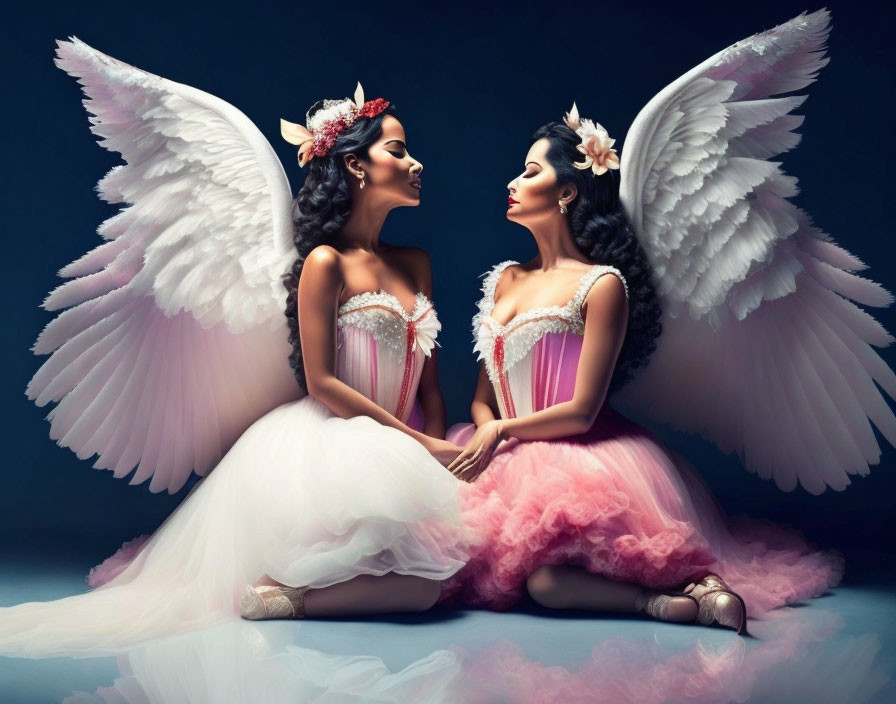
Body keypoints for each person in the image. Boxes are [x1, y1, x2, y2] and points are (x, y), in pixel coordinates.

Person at [0, 39, 464, 657]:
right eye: (399, 151)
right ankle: (280, 598)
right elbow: (323, 383)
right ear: (357, 166)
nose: (416, 164)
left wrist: (435, 458)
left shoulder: (416, 264)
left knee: (447, 578)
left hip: (401, 448)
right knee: (422, 591)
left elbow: (429, 385)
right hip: (336, 443)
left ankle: (307, 589)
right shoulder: (324, 264)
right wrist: (417, 444)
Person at [441, 10, 888, 635]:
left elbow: (582, 410)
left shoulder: (603, 285)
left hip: (580, 452)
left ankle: (683, 594)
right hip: (504, 448)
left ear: (567, 192)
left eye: (532, 171)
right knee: (447, 561)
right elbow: (483, 396)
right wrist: (487, 436)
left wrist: (502, 433)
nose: (514, 182)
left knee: (546, 581)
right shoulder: (504, 280)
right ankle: (681, 599)